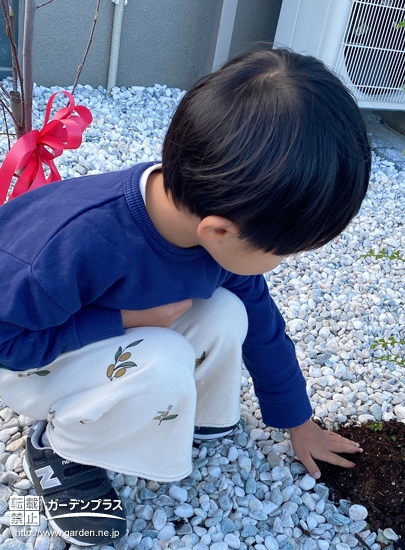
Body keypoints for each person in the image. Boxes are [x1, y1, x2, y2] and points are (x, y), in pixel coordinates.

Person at [0, 48, 371, 546]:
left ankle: (190, 415)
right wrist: (125, 320)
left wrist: (299, 422)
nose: (285, 262)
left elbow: (263, 326)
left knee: (228, 310)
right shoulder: (75, 246)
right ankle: (61, 448)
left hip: (70, 334)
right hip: (19, 357)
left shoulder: (206, 213)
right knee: (164, 356)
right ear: (219, 231)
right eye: (285, 252)